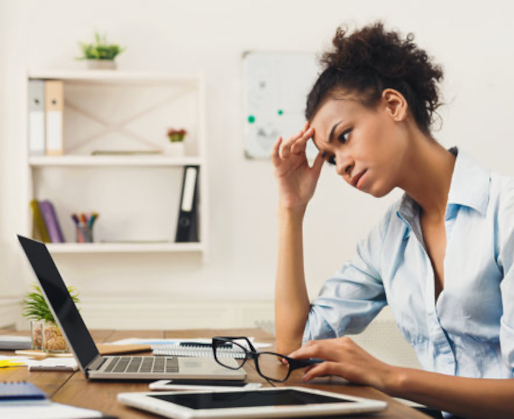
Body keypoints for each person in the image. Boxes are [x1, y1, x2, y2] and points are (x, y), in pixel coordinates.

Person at [271, 22, 514, 419]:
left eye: (344, 136)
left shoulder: (506, 213)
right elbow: (294, 345)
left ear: (394, 105)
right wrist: (291, 209)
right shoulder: (390, 239)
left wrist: (389, 377)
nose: (341, 166)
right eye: (330, 157)